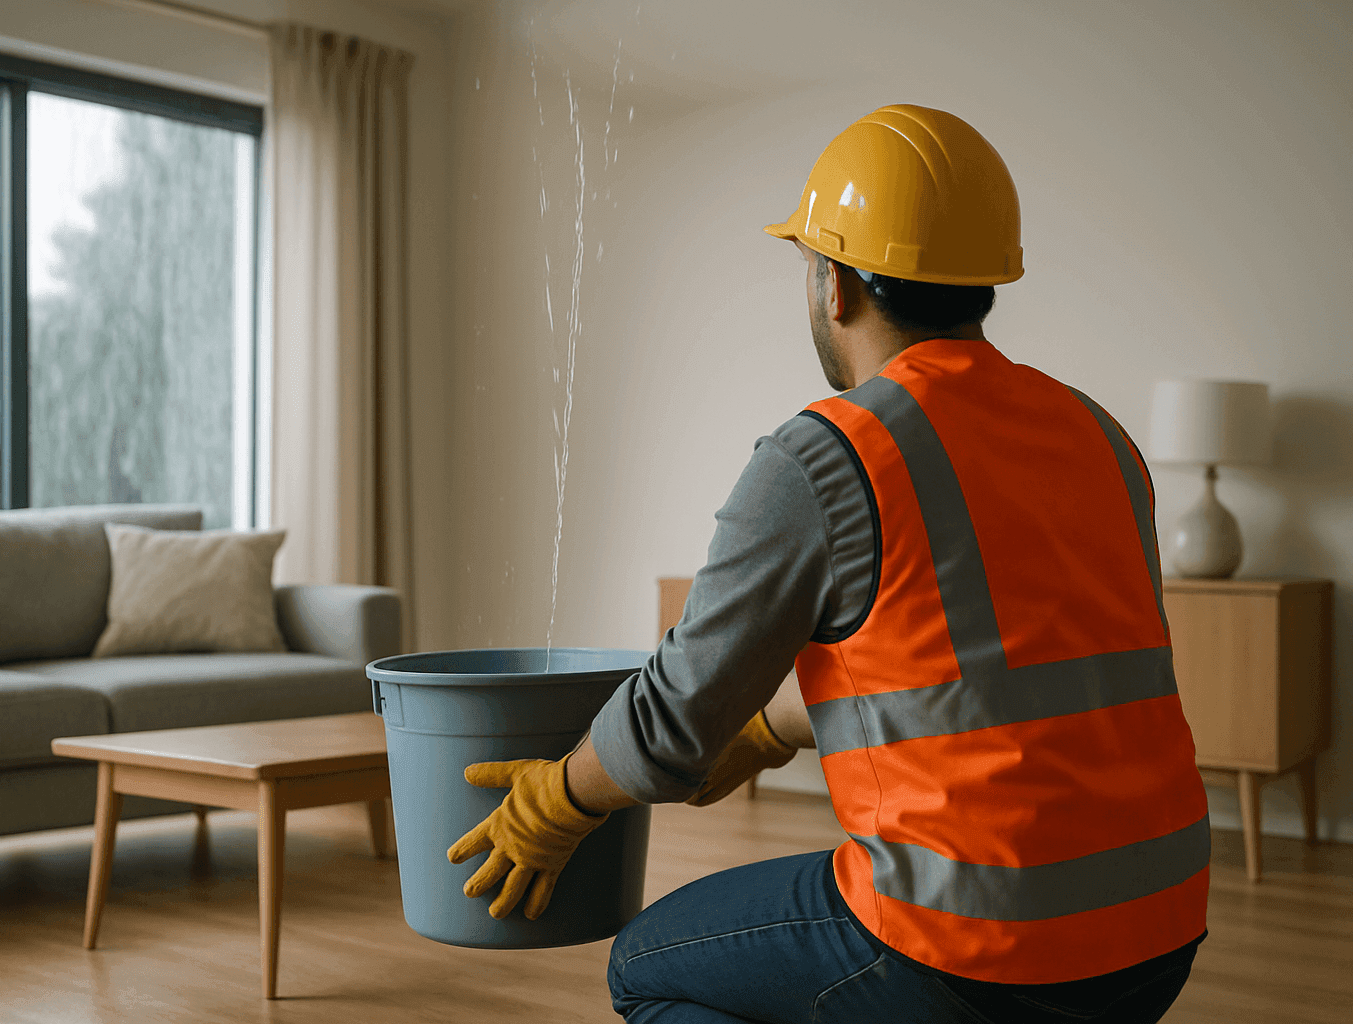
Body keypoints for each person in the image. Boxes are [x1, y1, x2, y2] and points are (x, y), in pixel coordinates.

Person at [446, 104, 1210, 1023]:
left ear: (833, 284)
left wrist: (554, 804)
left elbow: (669, 725)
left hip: (972, 952)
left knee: (647, 965)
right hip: (1157, 933)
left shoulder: (831, 455)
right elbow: (981, 676)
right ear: (982, 285)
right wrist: (770, 732)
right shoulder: (1099, 435)